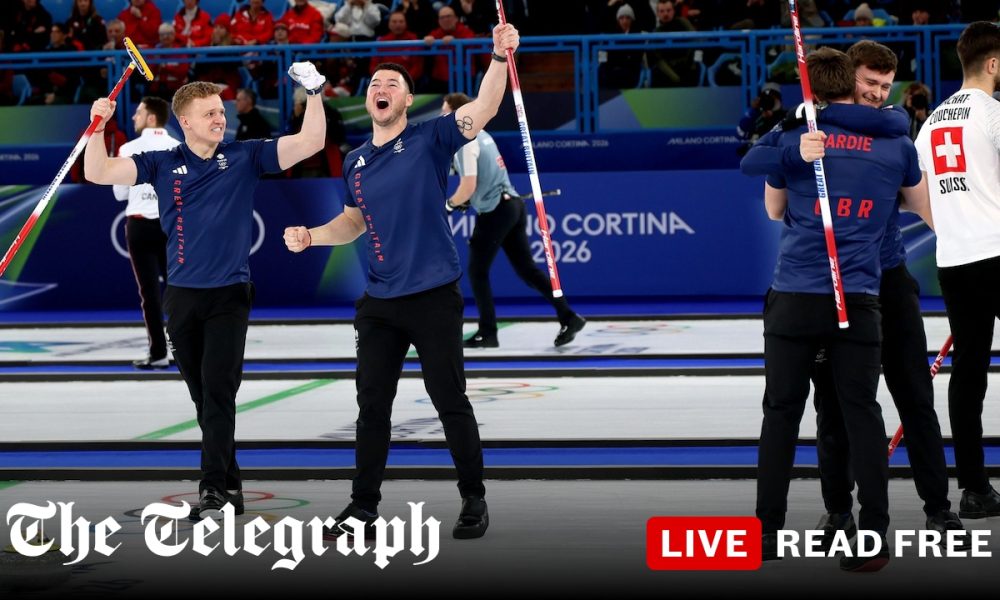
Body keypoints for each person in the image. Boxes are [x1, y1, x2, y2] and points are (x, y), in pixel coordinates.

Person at [282, 24, 521, 541]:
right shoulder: (354, 162)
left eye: (392, 83)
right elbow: (352, 222)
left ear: (408, 99)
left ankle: (473, 498)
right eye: (374, 83)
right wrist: (312, 236)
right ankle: (362, 508)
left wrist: (500, 57)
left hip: (433, 296)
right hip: (379, 302)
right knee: (372, 407)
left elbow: (484, 106)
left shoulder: (431, 138)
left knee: (448, 399)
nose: (381, 88)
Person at [83, 65, 327, 519]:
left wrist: (314, 92)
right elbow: (97, 171)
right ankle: (231, 485)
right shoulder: (160, 162)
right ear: (185, 121)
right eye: (210, 113)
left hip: (229, 294)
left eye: (221, 111)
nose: (220, 118)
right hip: (181, 297)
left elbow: (311, 142)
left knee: (218, 393)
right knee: (204, 399)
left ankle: (211, 488)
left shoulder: (245, 155)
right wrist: (98, 127)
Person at [740, 47, 929, 571]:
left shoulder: (800, 137)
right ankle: (872, 535)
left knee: (781, 414)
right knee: (862, 413)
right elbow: (924, 204)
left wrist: (794, 151)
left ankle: (768, 531)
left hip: (796, 297)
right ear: (854, 84)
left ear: (817, 94)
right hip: (859, 299)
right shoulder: (897, 143)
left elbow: (762, 186)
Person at [799, 40, 963, 545]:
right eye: (869, 82)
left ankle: (939, 510)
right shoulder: (812, 130)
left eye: (885, 86)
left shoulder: (894, 131)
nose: (876, 93)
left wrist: (970, 247)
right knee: (833, 406)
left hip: (888, 280)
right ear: (846, 77)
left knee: (915, 397)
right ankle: (838, 512)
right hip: (836, 284)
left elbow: (922, 203)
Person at [914, 21, 1000, 520]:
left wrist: (954, 228)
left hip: (954, 260)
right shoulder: (991, 113)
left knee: (969, 373)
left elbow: (919, 197)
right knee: (970, 372)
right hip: (997, 252)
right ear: (992, 63)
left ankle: (973, 488)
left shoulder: (931, 123)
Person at [441, 92, 586, 348]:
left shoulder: (466, 141)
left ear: (458, 114)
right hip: (513, 206)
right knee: (527, 270)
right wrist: (466, 199)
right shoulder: (483, 135)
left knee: (477, 272)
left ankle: (488, 333)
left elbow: (468, 185)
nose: (442, 118)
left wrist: (449, 205)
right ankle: (568, 316)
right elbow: (480, 180)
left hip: (496, 211)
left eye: (445, 113)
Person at [112, 97, 181, 370]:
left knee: (149, 294)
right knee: (180, 289)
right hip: (172, 225)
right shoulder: (179, 147)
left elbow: (119, 193)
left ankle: (159, 353)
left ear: (151, 118)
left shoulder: (129, 148)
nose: (133, 117)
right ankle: (188, 352)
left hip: (140, 227)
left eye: (138, 112)